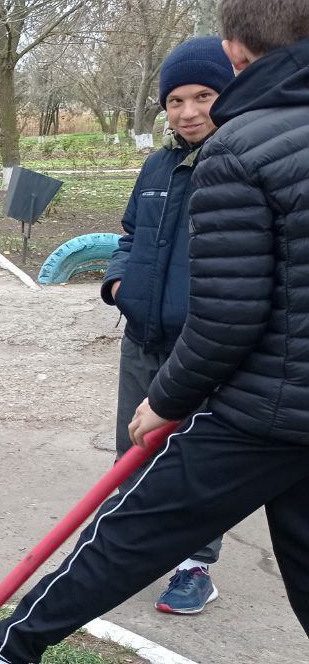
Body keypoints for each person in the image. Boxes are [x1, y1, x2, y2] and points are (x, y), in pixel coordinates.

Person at [0, 0, 309, 664]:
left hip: (263, 408)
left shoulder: (240, 150)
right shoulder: (215, 153)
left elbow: (231, 315)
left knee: (129, 531)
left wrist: (168, 399)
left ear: (240, 55)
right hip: (280, 396)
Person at [102, 37, 236, 614]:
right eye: (175, 101)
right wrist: (117, 284)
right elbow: (130, 234)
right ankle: (122, 549)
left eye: (203, 96)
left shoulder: (238, 162)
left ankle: (194, 564)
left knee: (194, 460)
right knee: (132, 448)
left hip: (203, 347)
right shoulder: (157, 164)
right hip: (144, 338)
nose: (187, 112)